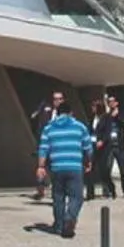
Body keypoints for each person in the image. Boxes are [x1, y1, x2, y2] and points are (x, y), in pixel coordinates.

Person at [36, 98, 94, 239]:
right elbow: (88, 147)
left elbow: (43, 148)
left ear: (58, 112)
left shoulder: (49, 128)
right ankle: (70, 218)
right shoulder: (79, 126)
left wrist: (41, 166)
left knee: (58, 197)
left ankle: (59, 226)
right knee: (77, 197)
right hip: (74, 166)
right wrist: (89, 161)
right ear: (71, 113)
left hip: (56, 167)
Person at [29, 89, 64, 202]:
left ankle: (57, 191)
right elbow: (38, 122)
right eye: (55, 99)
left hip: (57, 145)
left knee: (56, 169)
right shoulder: (46, 111)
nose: (57, 101)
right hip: (45, 143)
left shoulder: (65, 114)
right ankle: (40, 190)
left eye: (59, 99)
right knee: (41, 166)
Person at [101, 95, 124, 198]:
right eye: (109, 101)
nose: (111, 103)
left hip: (120, 146)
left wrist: (117, 117)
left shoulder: (122, 114)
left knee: (122, 168)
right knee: (106, 168)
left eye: (112, 101)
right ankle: (108, 190)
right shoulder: (106, 115)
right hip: (109, 146)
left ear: (116, 103)